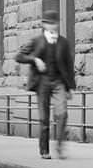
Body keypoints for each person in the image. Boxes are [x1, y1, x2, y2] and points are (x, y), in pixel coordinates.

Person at [15, 10, 77, 158]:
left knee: (62, 114)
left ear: (58, 24)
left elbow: (69, 66)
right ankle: (44, 150)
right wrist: (34, 60)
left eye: (54, 23)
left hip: (58, 82)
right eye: (48, 23)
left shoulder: (64, 42)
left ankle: (60, 146)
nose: (52, 26)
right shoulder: (37, 41)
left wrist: (69, 88)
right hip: (42, 82)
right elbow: (19, 56)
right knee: (44, 118)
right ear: (44, 24)